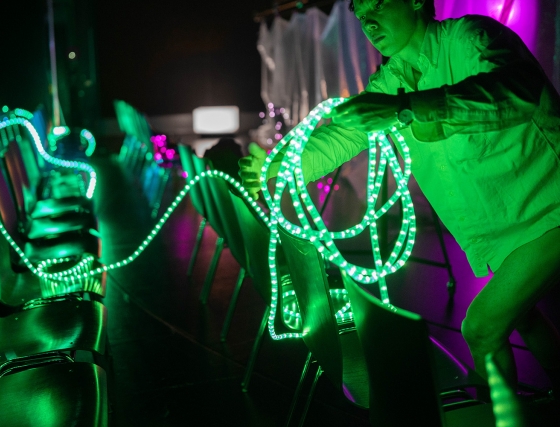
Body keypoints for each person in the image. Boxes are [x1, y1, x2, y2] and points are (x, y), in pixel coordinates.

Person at [239, 0, 560, 397]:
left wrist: (405, 108)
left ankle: (503, 419)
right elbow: (341, 138)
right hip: (505, 226)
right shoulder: (391, 80)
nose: (369, 22)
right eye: (361, 14)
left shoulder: (471, 38)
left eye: (378, 5)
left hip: (550, 211)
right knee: (522, 317)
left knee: (481, 328)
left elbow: (517, 91)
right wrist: (274, 166)